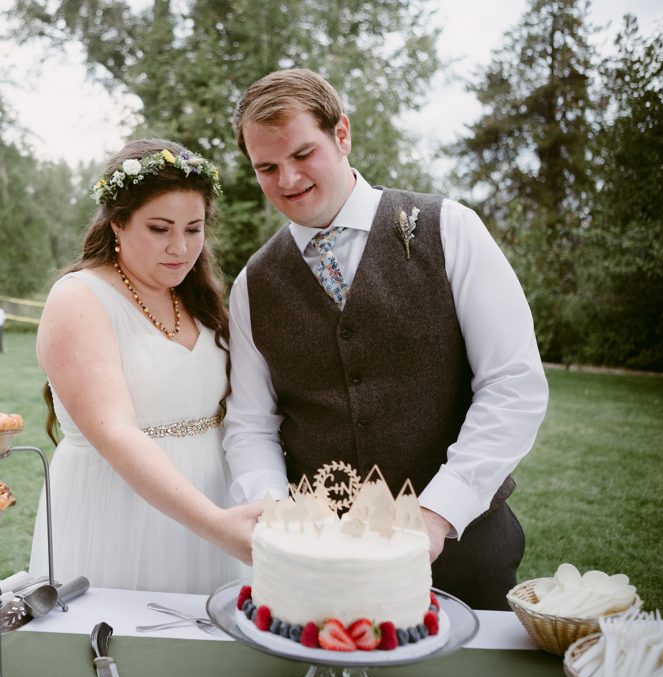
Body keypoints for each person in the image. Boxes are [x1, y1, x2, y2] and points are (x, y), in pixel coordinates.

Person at [223, 68, 549, 610]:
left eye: (303, 154)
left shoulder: (452, 230)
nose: (287, 180)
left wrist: (440, 511)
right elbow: (250, 423)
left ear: (342, 134)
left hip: (465, 550)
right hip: (320, 563)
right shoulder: (253, 284)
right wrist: (274, 510)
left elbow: (512, 383)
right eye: (266, 167)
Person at [28, 139, 261, 594]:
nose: (181, 247)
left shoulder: (199, 299)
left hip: (216, 506)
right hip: (121, 515)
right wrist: (214, 524)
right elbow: (116, 431)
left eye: (194, 229)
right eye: (160, 228)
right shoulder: (79, 298)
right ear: (117, 223)